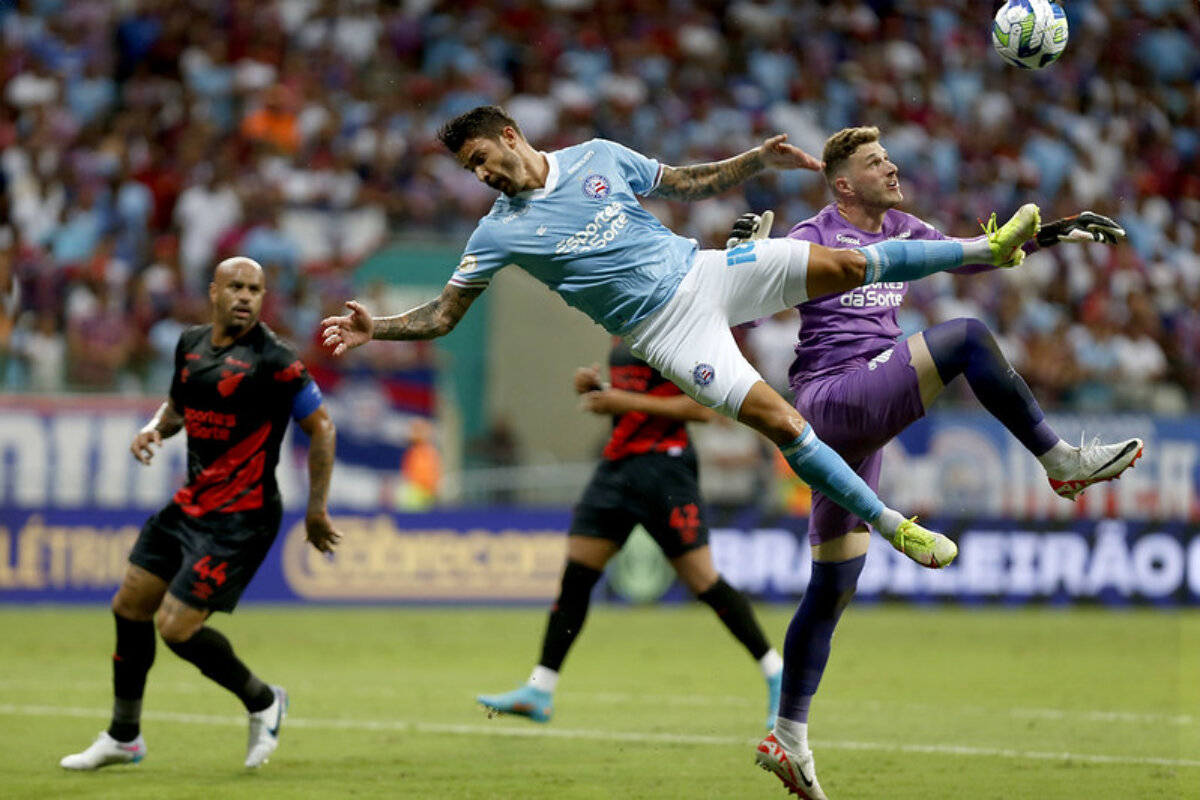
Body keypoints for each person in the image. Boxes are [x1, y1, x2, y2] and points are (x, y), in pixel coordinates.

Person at [321, 104, 1040, 578]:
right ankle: (892, 527)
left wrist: (754, 161)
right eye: (469, 169)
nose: (480, 174)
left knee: (849, 263)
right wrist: (375, 327)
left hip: (708, 272)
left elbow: (685, 183)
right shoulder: (497, 231)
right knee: (781, 422)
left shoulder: (598, 156)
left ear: (511, 135)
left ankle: (987, 249)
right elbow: (446, 314)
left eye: (482, 156)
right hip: (667, 333)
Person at [726, 126, 1142, 799]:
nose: (889, 166)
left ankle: (788, 736)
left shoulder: (906, 228)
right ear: (842, 183)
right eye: (873, 162)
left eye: (886, 156)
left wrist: (1058, 231)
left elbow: (978, 257)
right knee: (969, 339)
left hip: (858, 424)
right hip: (834, 400)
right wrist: (743, 249)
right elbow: (750, 279)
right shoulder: (813, 235)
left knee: (832, 590)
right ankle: (1059, 459)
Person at [60, 256, 343, 771]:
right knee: (129, 606)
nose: (245, 296)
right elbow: (178, 407)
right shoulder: (190, 344)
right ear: (213, 292)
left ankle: (263, 700)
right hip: (191, 503)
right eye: (235, 286)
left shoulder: (275, 359)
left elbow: (321, 427)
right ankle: (124, 736)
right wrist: (153, 429)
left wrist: (317, 509)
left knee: (175, 628)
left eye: (255, 289)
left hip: (243, 517)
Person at [477, 337, 785, 729]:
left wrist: (624, 402)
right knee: (576, 577)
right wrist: (599, 391)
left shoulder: (676, 330)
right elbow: (638, 395)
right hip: (618, 467)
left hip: (665, 470)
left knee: (704, 581)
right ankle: (540, 689)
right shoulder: (620, 326)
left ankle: (777, 673)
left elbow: (700, 410)